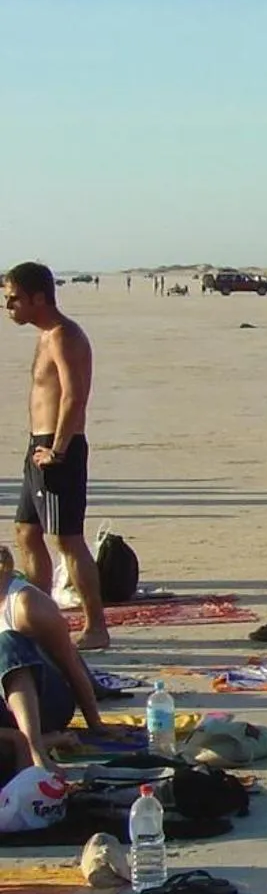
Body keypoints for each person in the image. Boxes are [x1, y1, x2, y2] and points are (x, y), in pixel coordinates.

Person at [4, 262, 108, 648]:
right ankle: (42, 616)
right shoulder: (45, 335)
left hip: (58, 447)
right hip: (39, 445)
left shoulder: (64, 335)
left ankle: (96, 627)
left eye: (14, 298)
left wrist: (58, 449)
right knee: (26, 532)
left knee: (67, 540)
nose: (8, 305)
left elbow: (73, 395)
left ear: (38, 298)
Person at [0, 543, 108, 774]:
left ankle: (35, 750)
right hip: (6, 710)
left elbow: (70, 663)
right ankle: (38, 741)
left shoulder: (27, 605)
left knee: (7, 643)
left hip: (48, 702)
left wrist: (95, 724)